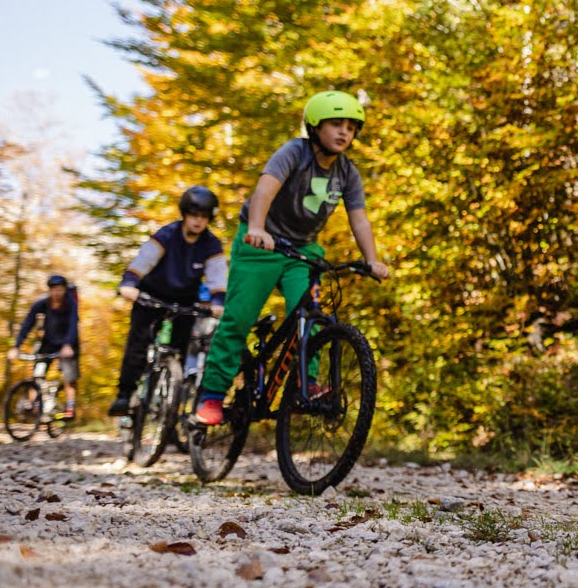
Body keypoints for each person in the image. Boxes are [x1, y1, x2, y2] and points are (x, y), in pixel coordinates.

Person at [194, 90, 390, 426]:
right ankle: (211, 395)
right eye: (335, 124)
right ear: (315, 127)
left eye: (351, 127)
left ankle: (305, 383)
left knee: (310, 316)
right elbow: (265, 190)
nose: (344, 132)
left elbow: (359, 217)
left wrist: (371, 259)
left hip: (302, 250)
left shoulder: (347, 173)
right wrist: (256, 228)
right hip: (261, 245)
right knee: (239, 319)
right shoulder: (293, 153)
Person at [108, 186, 229, 417]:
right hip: (152, 294)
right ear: (185, 214)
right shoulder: (167, 234)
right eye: (194, 215)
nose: (198, 221)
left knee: (181, 350)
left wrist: (218, 302)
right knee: (139, 342)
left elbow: (217, 276)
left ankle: (172, 409)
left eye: (203, 217)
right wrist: (129, 283)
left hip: (185, 299)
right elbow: (144, 260)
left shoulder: (211, 244)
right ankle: (125, 394)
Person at [8, 275, 81, 419]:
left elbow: (73, 325)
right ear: (50, 290)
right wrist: (16, 346)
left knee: (68, 375)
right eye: (53, 290)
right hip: (49, 342)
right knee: (37, 373)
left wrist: (67, 345)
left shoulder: (70, 303)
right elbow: (27, 324)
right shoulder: (42, 303)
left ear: (64, 290)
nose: (56, 293)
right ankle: (32, 404)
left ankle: (70, 406)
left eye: (59, 289)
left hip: (69, 343)